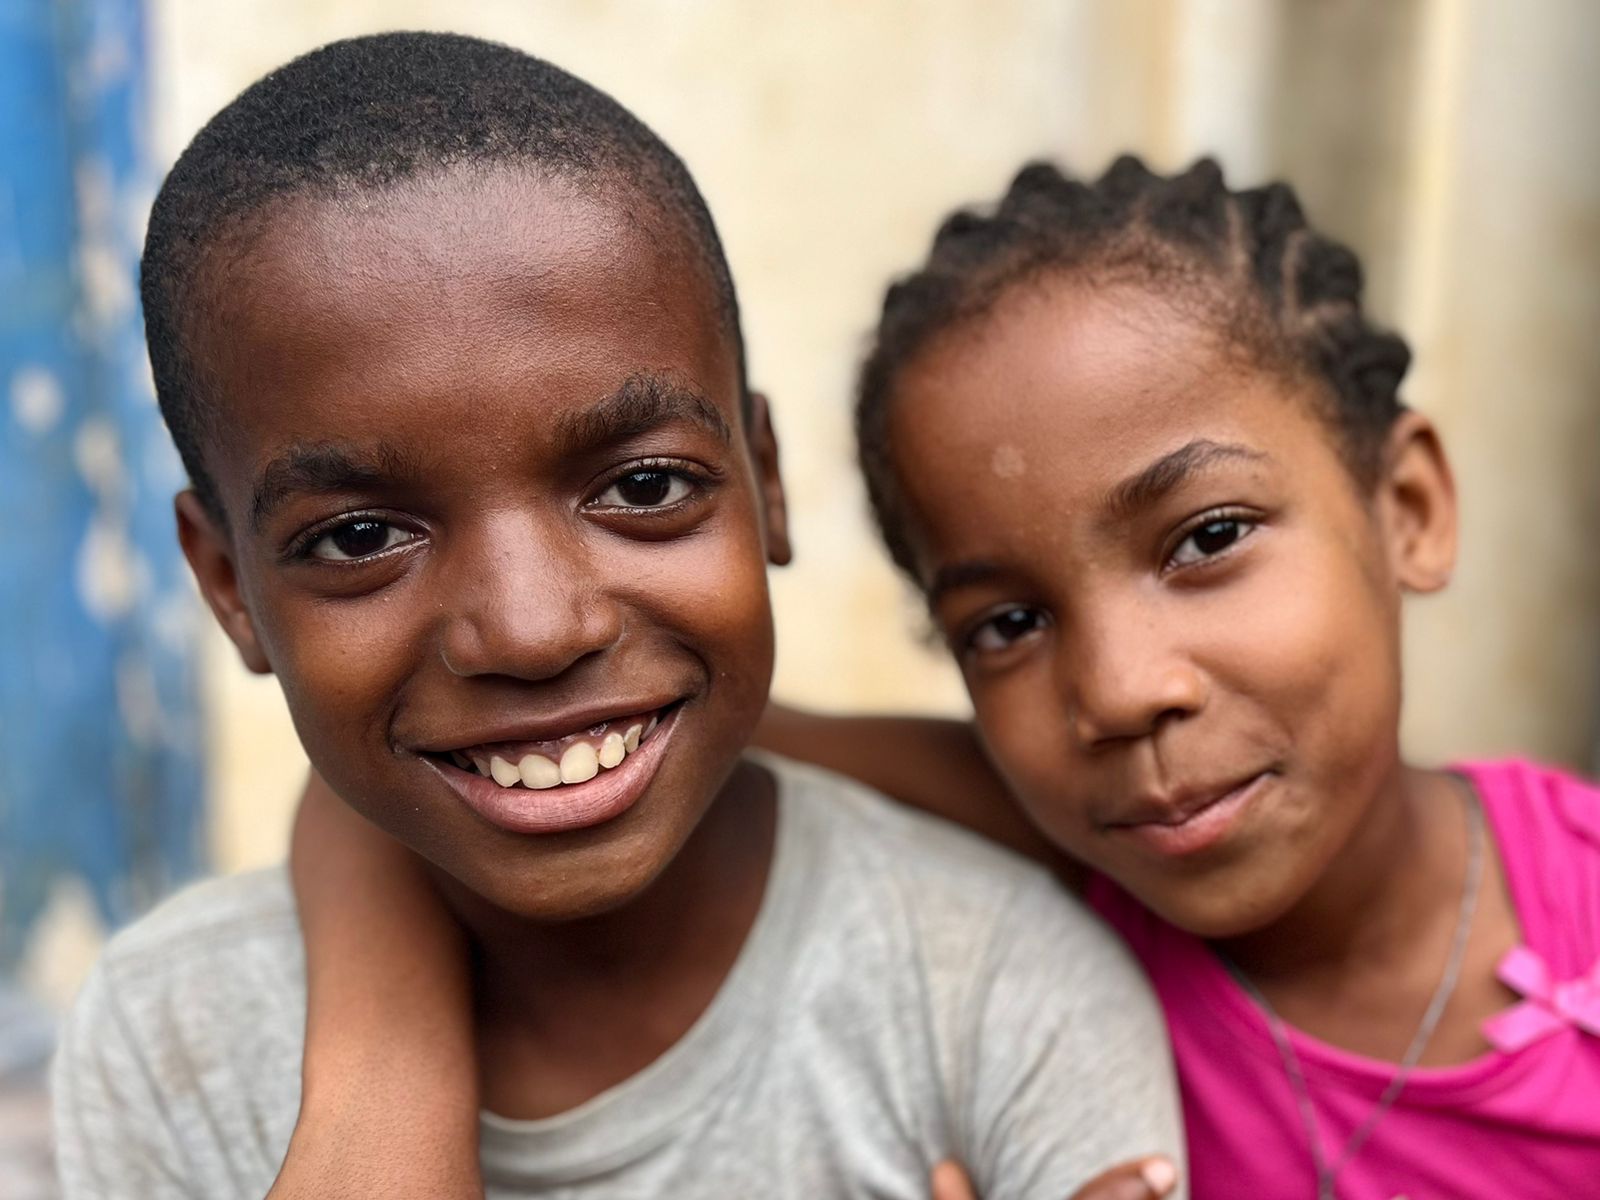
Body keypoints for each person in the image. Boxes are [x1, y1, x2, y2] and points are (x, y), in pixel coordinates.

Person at [301, 153, 1600, 1197]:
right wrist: (388, 1111)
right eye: (1006, 625)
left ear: (1409, 507)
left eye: (1207, 540)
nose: (1120, 691)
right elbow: (465, 760)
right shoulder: (1062, 870)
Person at [49, 33, 1183, 1200]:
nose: (534, 630)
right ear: (228, 585)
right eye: (358, 538)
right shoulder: (169, 1040)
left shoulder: (989, 986)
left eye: (642, 489)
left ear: (766, 481)